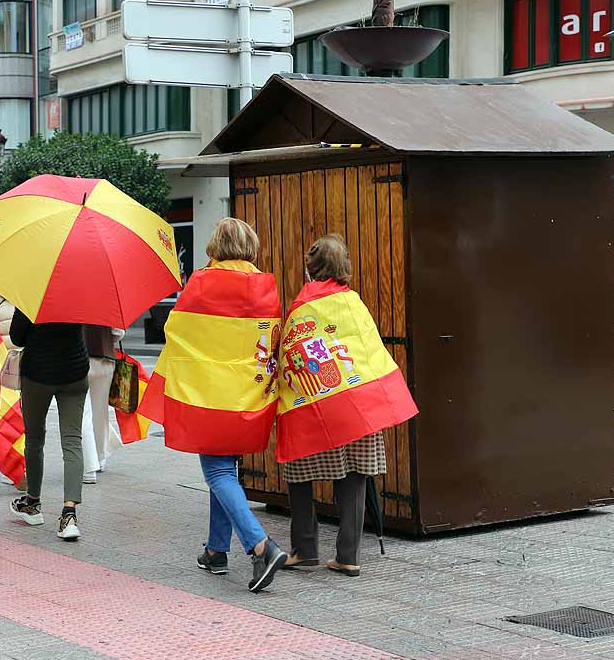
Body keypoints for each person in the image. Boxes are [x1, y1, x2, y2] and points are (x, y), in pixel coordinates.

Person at [136, 218, 288, 592]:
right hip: (250, 398)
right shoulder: (264, 286)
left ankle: (261, 546)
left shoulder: (202, 283)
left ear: (215, 246)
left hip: (209, 398)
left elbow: (175, 331)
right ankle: (216, 551)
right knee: (228, 471)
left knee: (218, 473)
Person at [275, 235, 417, 577]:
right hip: (358, 405)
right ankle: (348, 554)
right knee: (355, 476)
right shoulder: (354, 303)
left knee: (299, 475)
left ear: (311, 271)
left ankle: (305, 549)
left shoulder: (301, 308)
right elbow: (370, 351)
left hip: (315, 407)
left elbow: (290, 358)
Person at [9, 307, 89, 542]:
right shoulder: (79, 294)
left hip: (38, 375)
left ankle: (32, 503)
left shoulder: (30, 294)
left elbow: (16, 337)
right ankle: (69, 514)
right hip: (75, 373)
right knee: (72, 441)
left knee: (34, 439)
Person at [0, 288, 27, 492]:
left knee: (8, 417)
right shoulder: (28, 294)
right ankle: (20, 465)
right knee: (25, 416)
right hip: (27, 362)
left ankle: (13, 466)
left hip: (4, 366)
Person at [81, 324, 125, 483]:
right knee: (100, 413)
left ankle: (88, 468)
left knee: (83, 415)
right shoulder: (107, 300)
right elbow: (118, 332)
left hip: (78, 360)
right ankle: (100, 458)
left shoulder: (67, 301)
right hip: (105, 358)